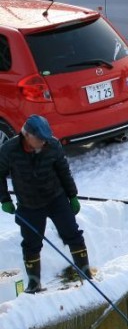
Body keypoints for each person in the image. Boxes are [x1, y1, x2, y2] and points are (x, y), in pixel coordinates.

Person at [0, 115, 91, 293]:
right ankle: (34, 284)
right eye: (40, 139)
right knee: (31, 243)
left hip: (56, 198)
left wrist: (72, 195)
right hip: (29, 204)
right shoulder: (9, 150)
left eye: (45, 138)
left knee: (72, 233)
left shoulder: (52, 145)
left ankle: (86, 275)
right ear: (27, 135)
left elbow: (64, 170)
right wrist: (4, 199)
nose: (44, 142)